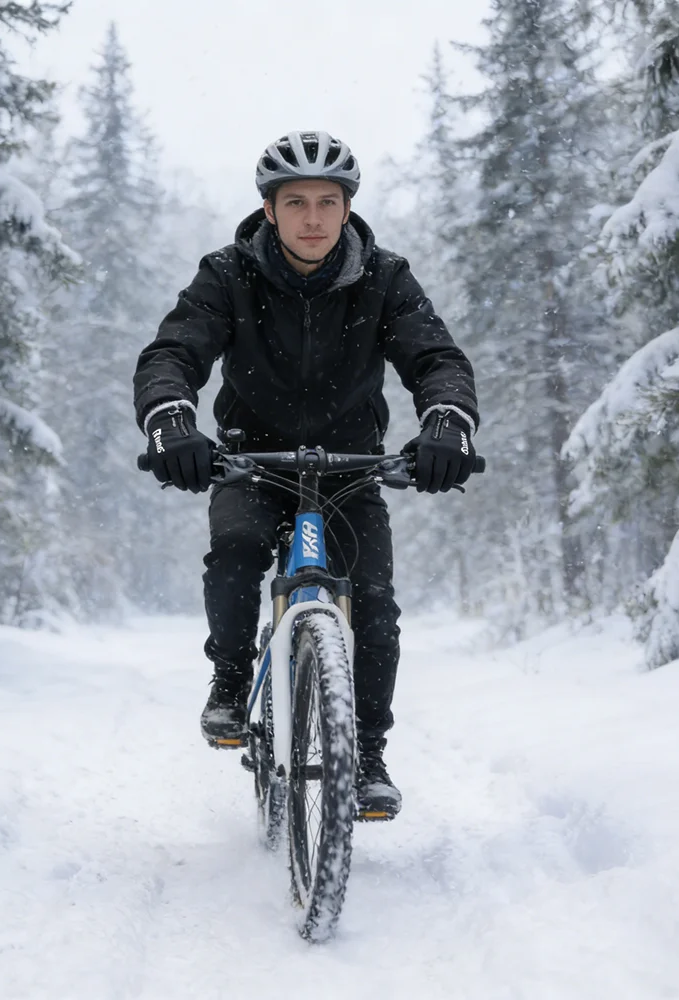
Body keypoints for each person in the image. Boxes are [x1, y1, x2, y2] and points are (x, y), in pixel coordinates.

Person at [133, 131, 478, 820]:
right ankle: (231, 681)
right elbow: (173, 351)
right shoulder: (227, 275)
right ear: (269, 211)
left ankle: (368, 757)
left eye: (328, 202)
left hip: (352, 466)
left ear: (347, 211)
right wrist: (172, 422)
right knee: (235, 552)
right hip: (249, 459)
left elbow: (436, 357)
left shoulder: (385, 278)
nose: (313, 218)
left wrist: (447, 422)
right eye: (296, 203)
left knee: (374, 609)